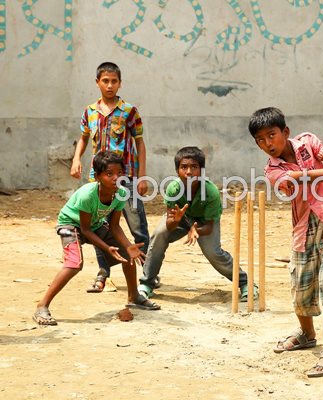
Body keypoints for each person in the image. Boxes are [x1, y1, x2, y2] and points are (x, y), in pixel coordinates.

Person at [249, 107, 323, 378]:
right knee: (300, 286)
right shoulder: (272, 170)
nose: (268, 144)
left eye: (271, 135)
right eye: (261, 140)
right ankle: (307, 334)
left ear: (285, 132)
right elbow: (297, 179)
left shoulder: (308, 141)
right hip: (303, 226)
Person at [33, 151, 160, 326]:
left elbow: (114, 226)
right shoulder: (88, 194)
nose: (116, 178)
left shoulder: (121, 193)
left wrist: (128, 245)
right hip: (71, 224)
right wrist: (107, 248)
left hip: (94, 223)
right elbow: (84, 229)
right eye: (109, 174)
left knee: (127, 253)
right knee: (74, 264)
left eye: (119, 173)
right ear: (97, 176)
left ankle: (134, 296)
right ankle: (42, 305)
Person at [70, 61, 151, 293]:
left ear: (120, 83)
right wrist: (77, 159)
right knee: (98, 227)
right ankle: (103, 273)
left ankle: (147, 276)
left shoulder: (129, 111)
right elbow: (84, 137)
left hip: (127, 179)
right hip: (99, 181)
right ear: (97, 83)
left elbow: (140, 143)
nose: (109, 85)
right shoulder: (90, 111)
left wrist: (142, 176)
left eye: (114, 81)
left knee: (137, 227)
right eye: (105, 81)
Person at [137, 146, 257, 301]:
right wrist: (176, 220)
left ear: (201, 171)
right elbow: (170, 225)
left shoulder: (210, 192)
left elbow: (209, 226)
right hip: (181, 218)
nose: (189, 172)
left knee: (214, 253)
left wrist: (195, 229)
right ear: (177, 170)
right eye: (184, 167)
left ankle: (246, 283)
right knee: (159, 235)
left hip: (203, 223)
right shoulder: (173, 189)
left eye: (194, 167)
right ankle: (147, 283)